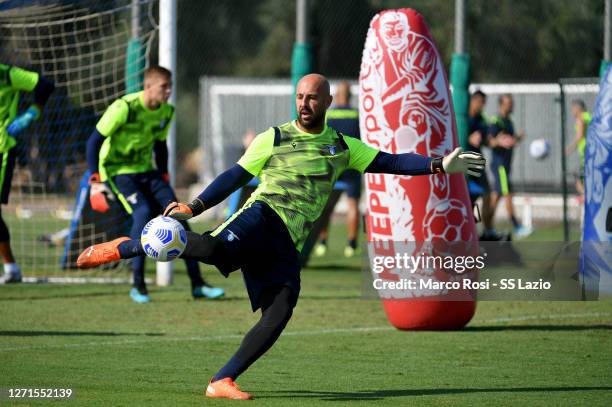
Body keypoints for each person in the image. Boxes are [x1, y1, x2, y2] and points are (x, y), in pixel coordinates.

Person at [76, 73, 485, 399]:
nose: (305, 104)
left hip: (289, 240)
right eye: (300, 97)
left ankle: (221, 380)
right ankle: (127, 247)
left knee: (281, 310)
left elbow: (390, 160)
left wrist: (438, 164)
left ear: (328, 103)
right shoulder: (274, 137)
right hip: (262, 215)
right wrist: (196, 206)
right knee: (217, 250)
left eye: (313, 98)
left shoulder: (342, 146)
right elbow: (237, 175)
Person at [85, 65, 224, 303]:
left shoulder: (166, 112)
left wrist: (164, 178)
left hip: (148, 172)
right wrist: (95, 182)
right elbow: (94, 142)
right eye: (164, 86)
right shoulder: (124, 108)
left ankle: (198, 284)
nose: (168, 91)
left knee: (180, 215)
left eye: (170, 86)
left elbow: (160, 146)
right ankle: (138, 285)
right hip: (119, 173)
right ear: (148, 87)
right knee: (143, 214)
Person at [0, 63, 54, 284]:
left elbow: (45, 85)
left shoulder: (6, 74)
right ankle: (12, 268)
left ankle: (11, 267)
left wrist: (32, 113)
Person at [314, 81, 361, 258]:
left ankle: (322, 242)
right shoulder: (358, 116)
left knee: (325, 204)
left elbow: (321, 142)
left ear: (336, 96)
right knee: (353, 204)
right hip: (352, 164)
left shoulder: (329, 115)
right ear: (350, 96)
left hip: (332, 165)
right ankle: (351, 244)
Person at [485, 94, 531, 238]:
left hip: (506, 164)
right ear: (501, 105)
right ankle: (517, 227)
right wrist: (498, 141)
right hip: (499, 165)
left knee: (496, 197)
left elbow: (510, 141)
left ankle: (487, 228)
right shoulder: (495, 121)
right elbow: (490, 141)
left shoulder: (509, 121)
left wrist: (518, 138)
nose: (511, 106)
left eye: (512, 103)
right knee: (508, 193)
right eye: (508, 103)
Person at [565, 99, 591, 198]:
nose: (572, 112)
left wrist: (569, 149)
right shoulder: (589, 116)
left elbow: (580, 136)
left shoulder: (581, 118)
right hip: (591, 153)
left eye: (572, 109)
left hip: (586, 153)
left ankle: (585, 199)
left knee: (578, 179)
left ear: (577, 108)